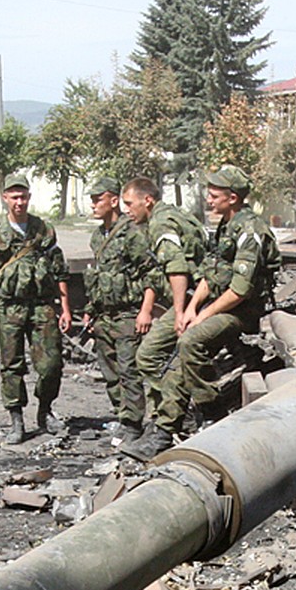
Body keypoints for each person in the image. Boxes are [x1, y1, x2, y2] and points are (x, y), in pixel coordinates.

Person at [123, 167, 277, 461]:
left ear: (232, 198)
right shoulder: (226, 226)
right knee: (179, 345)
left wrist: (201, 317)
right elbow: (209, 274)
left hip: (241, 311)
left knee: (191, 341)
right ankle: (164, 428)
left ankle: (211, 412)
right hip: (217, 303)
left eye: (215, 195)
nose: (208, 199)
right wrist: (191, 309)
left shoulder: (250, 231)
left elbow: (240, 291)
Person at [0, 173, 72, 444]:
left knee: (51, 365)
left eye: (23, 196)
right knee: (11, 366)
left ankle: (45, 410)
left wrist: (65, 308)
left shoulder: (43, 230)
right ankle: (16, 421)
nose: (20, 202)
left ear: (29, 197)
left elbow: (60, 271)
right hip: (10, 307)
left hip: (42, 306)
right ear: (5, 198)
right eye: (14, 196)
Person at [119, 176, 207, 460]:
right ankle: (166, 419)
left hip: (193, 298)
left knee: (148, 355)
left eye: (130, 204)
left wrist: (181, 313)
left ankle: (169, 422)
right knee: (161, 357)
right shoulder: (176, 214)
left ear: (147, 200)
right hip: (199, 295)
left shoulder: (160, 223)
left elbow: (177, 268)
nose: (127, 210)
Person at [83, 177, 163, 447]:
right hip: (104, 314)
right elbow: (100, 276)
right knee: (110, 371)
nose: (93, 204)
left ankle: (133, 423)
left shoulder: (131, 233)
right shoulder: (98, 237)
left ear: (113, 201)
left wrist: (146, 311)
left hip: (128, 312)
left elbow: (151, 273)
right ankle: (121, 415)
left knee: (129, 370)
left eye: (98, 199)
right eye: (92, 199)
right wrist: (90, 310)